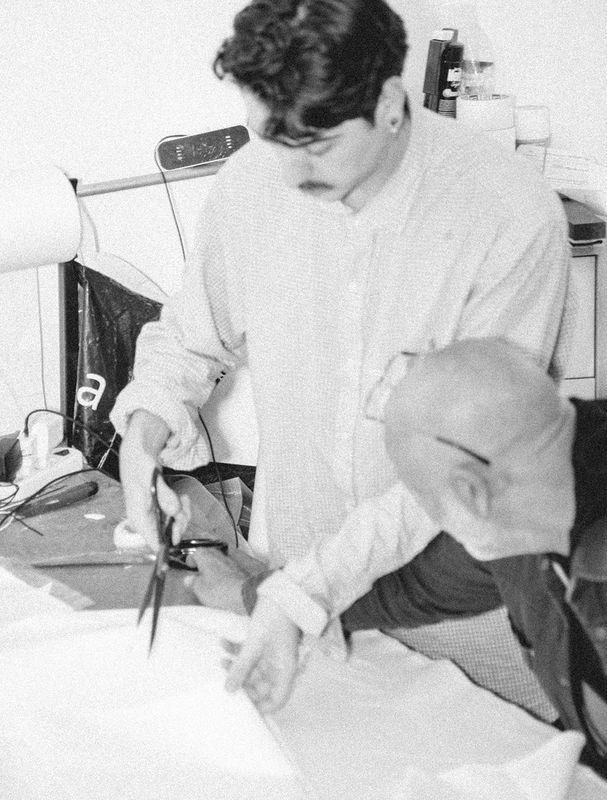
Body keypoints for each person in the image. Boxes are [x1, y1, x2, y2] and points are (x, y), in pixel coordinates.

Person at [111, 0, 569, 711]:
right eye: (271, 137)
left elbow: (469, 461)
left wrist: (302, 593)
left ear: (388, 104)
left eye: (317, 145)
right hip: (295, 573)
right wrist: (142, 437)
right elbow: (190, 336)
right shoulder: (252, 182)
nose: (290, 172)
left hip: (459, 599)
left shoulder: (508, 211)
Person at [225, 337, 607, 796]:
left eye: (423, 501)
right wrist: (279, 606)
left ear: (470, 493)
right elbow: (412, 590)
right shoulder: (525, 510)